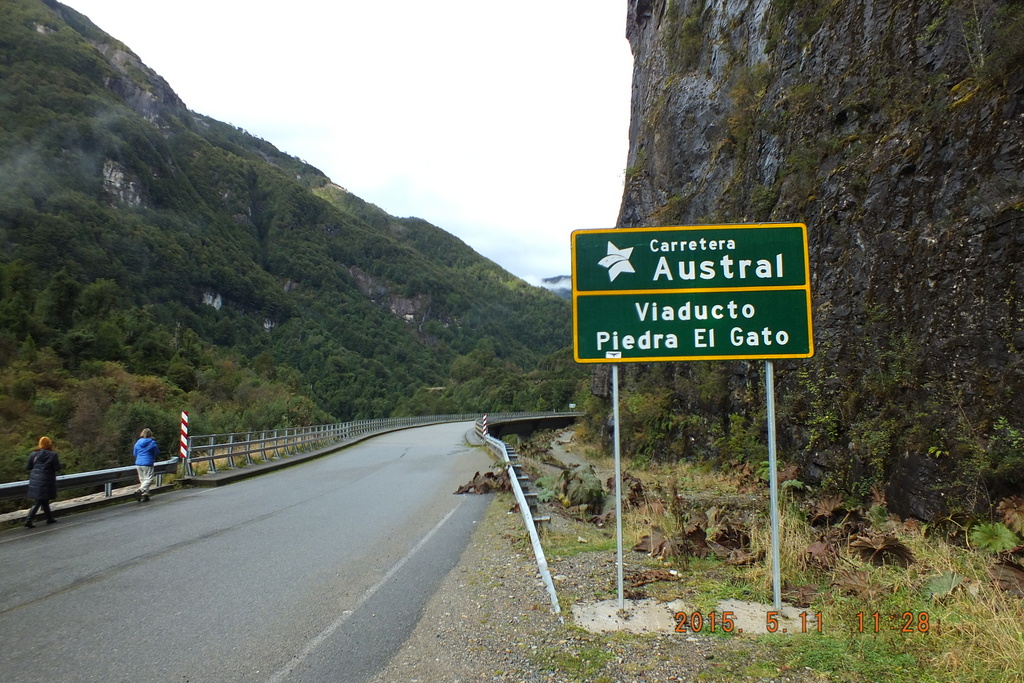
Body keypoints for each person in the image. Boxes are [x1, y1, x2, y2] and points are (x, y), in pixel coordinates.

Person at [25, 436, 61, 528]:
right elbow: (57, 468)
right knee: (40, 500)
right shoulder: (53, 455)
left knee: (43, 499)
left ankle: (49, 518)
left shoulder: (34, 454)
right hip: (47, 480)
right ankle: (28, 520)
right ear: (49, 444)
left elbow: (28, 467)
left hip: (36, 480)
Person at [133, 428, 160, 502]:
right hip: (148, 463)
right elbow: (157, 452)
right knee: (149, 479)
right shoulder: (152, 442)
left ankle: (145, 495)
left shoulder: (138, 442)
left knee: (143, 480)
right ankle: (140, 490)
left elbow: (135, 453)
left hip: (138, 463)